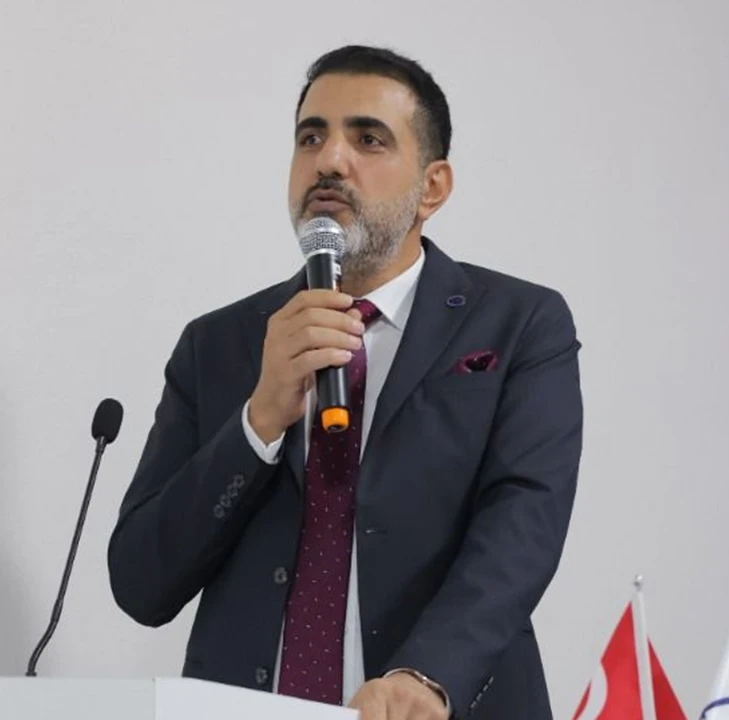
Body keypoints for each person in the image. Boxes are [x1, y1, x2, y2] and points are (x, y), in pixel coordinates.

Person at [108, 45, 583, 720]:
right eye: (311, 137)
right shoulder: (218, 345)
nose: (330, 160)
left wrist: (426, 676)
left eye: (368, 139)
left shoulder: (518, 325)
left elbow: (522, 528)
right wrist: (259, 420)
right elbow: (140, 583)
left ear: (433, 187)